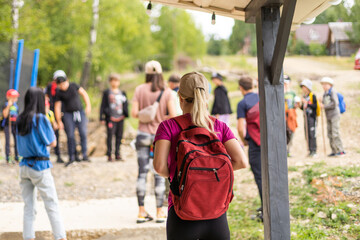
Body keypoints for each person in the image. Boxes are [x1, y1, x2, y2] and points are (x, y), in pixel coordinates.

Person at [153, 72, 248, 240]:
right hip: (216, 214)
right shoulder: (219, 126)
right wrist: (212, 172)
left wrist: (183, 175)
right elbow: (241, 162)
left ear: (180, 97)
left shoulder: (168, 127)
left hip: (181, 212)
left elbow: (160, 167)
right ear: (206, 97)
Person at [16, 87, 66, 240]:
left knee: (29, 207)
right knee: (52, 204)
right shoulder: (40, 119)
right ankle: (60, 237)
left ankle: (28, 237)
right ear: (39, 100)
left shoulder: (20, 119)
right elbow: (52, 142)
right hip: (40, 167)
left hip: (24, 166)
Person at [131, 60, 176, 224]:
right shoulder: (167, 91)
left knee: (142, 173)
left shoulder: (139, 90)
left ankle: (141, 211)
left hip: (142, 135)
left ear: (147, 73)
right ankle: (159, 211)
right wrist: (160, 117)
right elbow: (173, 114)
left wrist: (147, 114)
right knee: (159, 173)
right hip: (160, 137)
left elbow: (134, 113)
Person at [236, 76, 263, 220]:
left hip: (255, 143)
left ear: (241, 88)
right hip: (268, 141)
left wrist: (244, 140)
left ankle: (266, 211)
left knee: (259, 176)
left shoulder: (242, 103)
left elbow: (240, 127)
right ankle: (267, 205)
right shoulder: (262, 97)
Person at [53, 70, 91, 167]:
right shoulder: (59, 92)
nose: (62, 85)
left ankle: (84, 154)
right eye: (60, 84)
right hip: (67, 114)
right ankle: (72, 156)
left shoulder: (74, 86)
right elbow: (57, 107)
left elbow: (84, 93)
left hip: (79, 112)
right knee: (70, 135)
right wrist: (59, 121)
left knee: (82, 133)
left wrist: (88, 105)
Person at [100, 73, 129, 162]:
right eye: (113, 81)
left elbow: (125, 104)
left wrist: (126, 113)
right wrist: (102, 117)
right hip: (111, 118)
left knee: (119, 136)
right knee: (110, 136)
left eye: (116, 81)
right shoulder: (107, 92)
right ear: (110, 82)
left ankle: (117, 153)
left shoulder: (122, 93)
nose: (115, 83)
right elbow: (103, 105)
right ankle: (109, 154)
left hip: (120, 117)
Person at [320, 77, 345, 157]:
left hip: (334, 115)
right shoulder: (325, 93)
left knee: (335, 132)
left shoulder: (333, 92)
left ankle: (340, 150)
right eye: (323, 84)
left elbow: (335, 103)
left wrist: (324, 106)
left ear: (330, 85)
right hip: (328, 116)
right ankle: (334, 150)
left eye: (325, 84)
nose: (324, 86)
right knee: (329, 133)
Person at [45, 74, 64, 163]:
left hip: (57, 112)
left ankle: (58, 154)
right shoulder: (49, 87)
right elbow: (46, 97)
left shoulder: (60, 88)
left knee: (56, 134)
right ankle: (47, 154)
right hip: (49, 112)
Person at [300, 79, 318, 157]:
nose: (303, 88)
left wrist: (306, 103)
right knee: (307, 133)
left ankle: (314, 150)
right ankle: (310, 150)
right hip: (306, 117)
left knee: (312, 134)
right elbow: (303, 108)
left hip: (312, 117)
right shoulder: (304, 96)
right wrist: (300, 106)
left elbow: (315, 106)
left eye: (304, 87)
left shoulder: (312, 95)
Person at [2, 89, 20, 163]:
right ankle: (8, 157)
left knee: (16, 140)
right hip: (7, 124)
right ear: (8, 97)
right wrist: (8, 106)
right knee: (8, 140)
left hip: (15, 125)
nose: (15, 99)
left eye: (16, 97)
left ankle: (16, 156)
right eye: (13, 97)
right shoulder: (6, 105)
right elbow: (5, 115)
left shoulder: (16, 106)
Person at [284, 75, 298, 157]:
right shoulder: (280, 92)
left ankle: (289, 150)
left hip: (291, 115)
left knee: (291, 132)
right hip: (283, 115)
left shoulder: (292, 93)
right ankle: (284, 150)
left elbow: (295, 105)